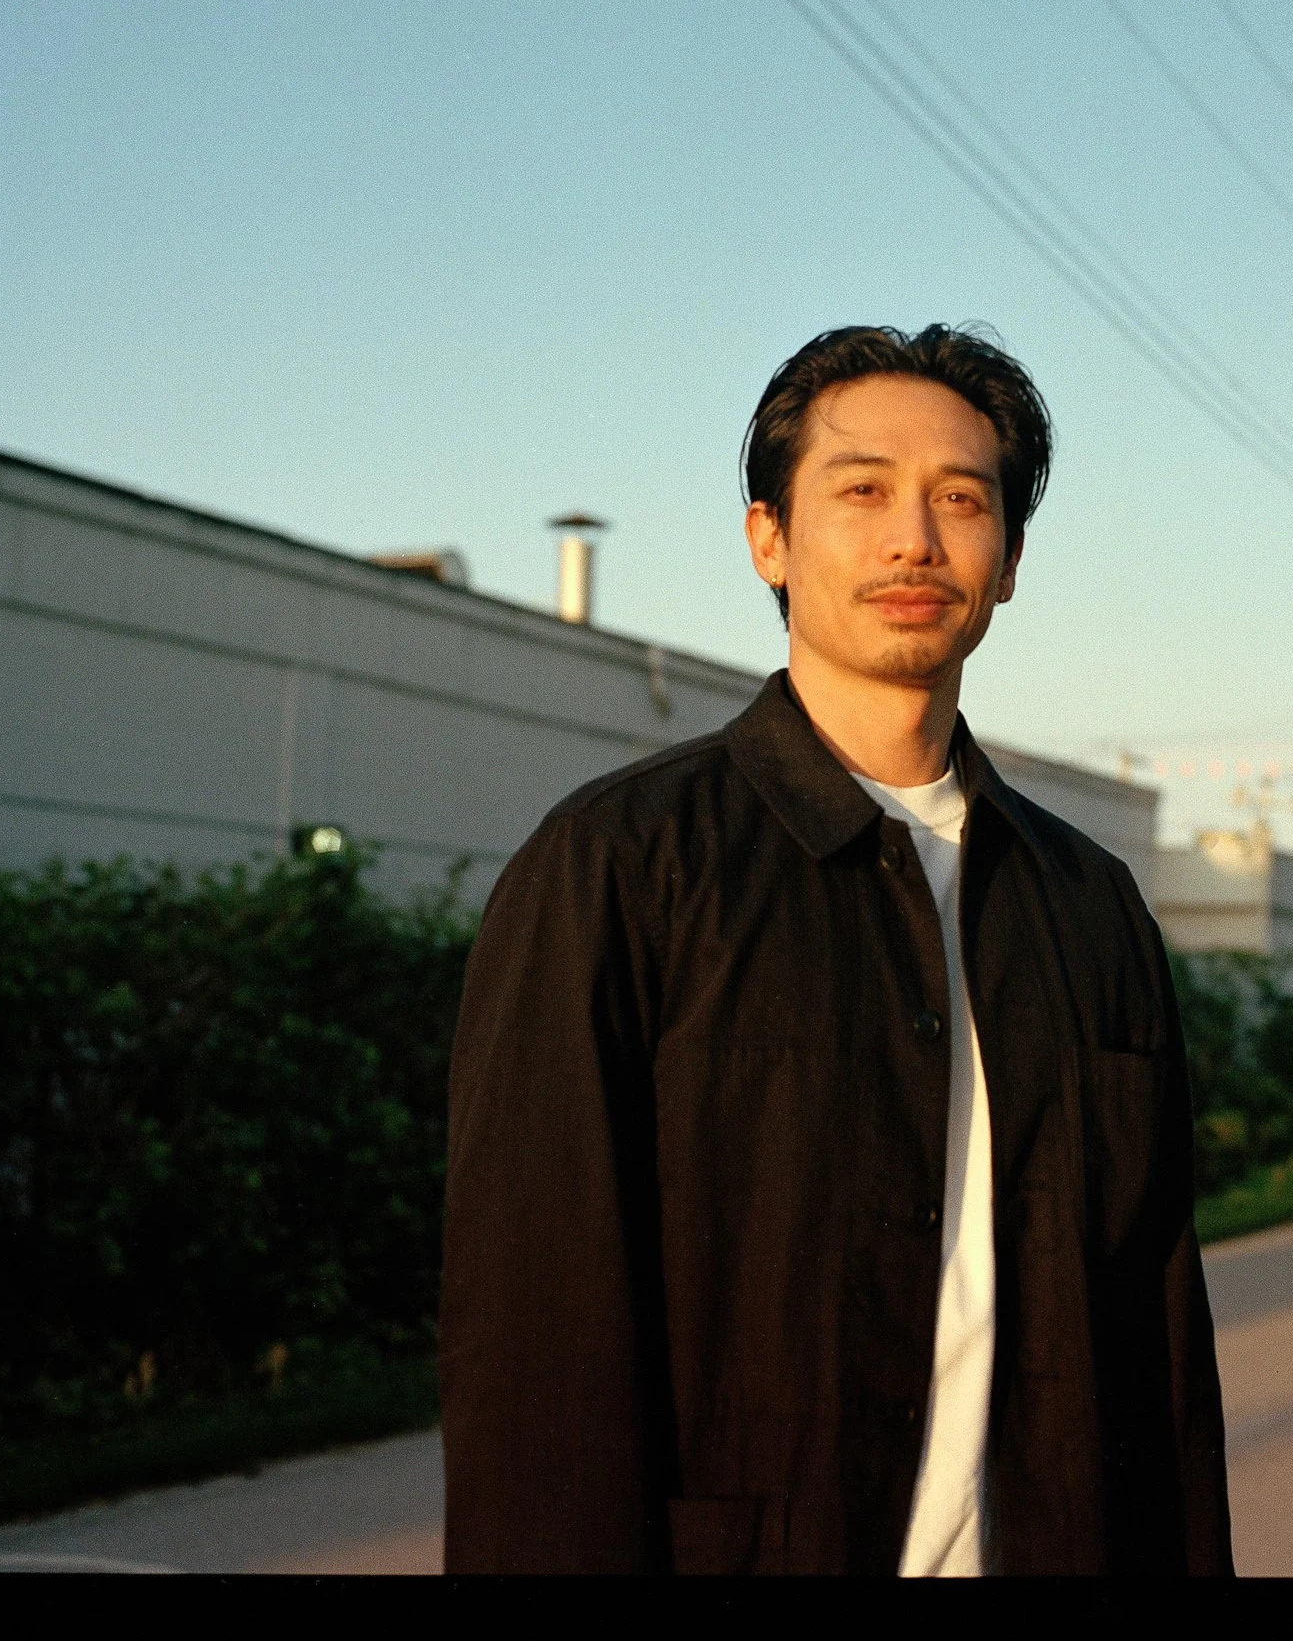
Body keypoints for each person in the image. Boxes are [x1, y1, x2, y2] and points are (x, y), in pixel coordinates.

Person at [439, 324, 1232, 1575]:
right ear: (768, 537)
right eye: (861, 490)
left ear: (1009, 561)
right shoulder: (619, 868)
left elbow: (1160, 1340)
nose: (913, 539)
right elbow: (537, 1346)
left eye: (959, 499)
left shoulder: (1091, 905)